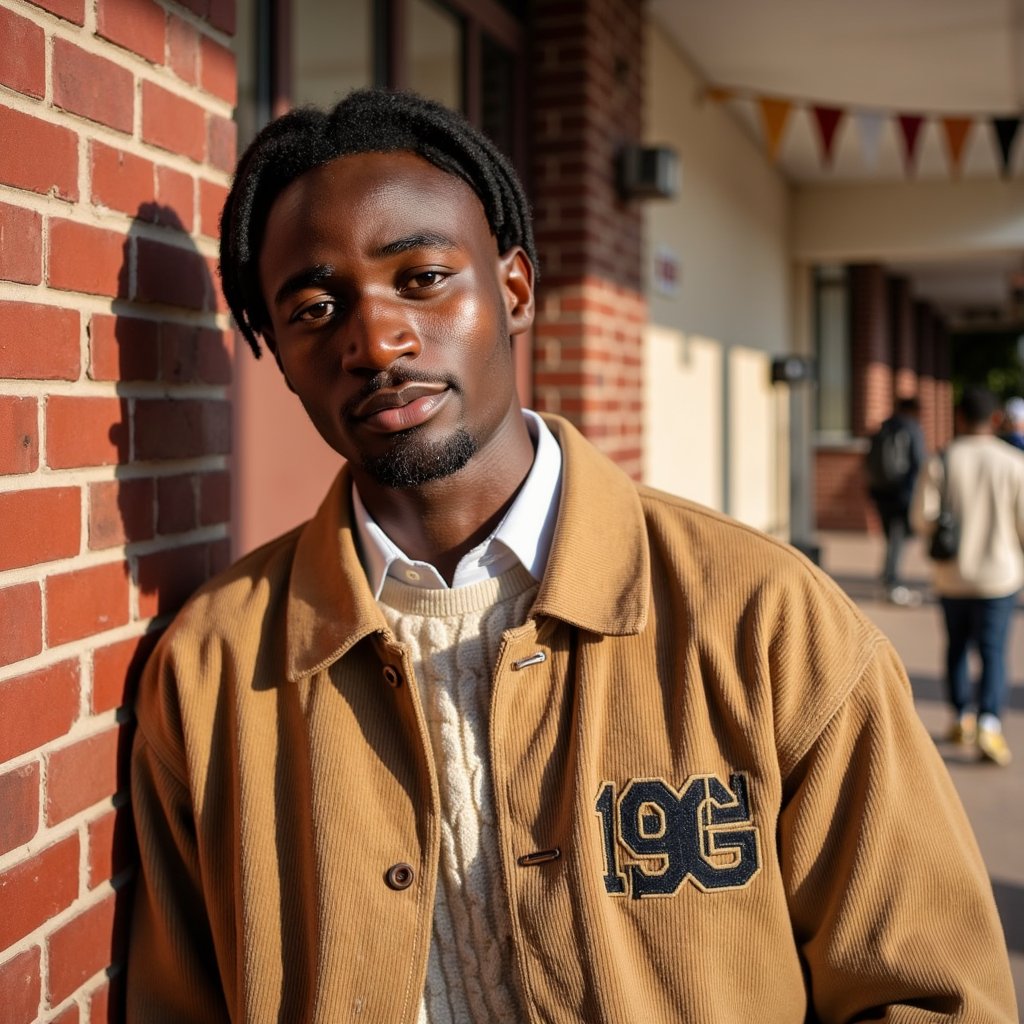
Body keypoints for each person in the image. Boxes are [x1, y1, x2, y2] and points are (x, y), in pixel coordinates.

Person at [126, 89, 1017, 1023]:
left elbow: (933, 994)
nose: (376, 339)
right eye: (313, 307)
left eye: (422, 278)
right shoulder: (211, 672)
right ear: (273, 350)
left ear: (514, 290)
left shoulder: (766, 618)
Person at [912, 385, 1024, 768]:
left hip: (952, 574)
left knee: (956, 645)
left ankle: (961, 715)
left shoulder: (942, 459)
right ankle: (989, 721)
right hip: (1000, 576)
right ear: (996, 419)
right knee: (993, 650)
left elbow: (921, 518)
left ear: (959, 417)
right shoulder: (1014, 463)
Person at [865, 396, 926, 605]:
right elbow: (919, 462)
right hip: (902, 494)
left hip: (881, 493)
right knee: (898, 539)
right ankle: (892, 583)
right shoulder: (912, 429)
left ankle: (887, 579)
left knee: (890, 538)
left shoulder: (882, 428)